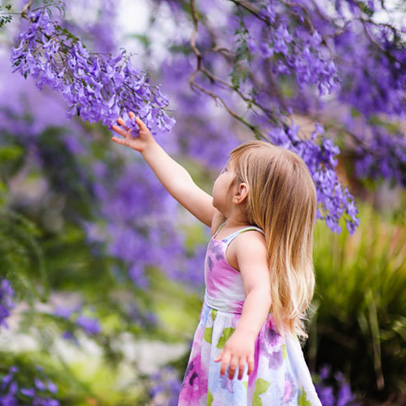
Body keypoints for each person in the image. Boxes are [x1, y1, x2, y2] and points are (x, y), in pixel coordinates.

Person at [111, 112, 322, 406]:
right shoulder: (222, 222)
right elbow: (182, 186)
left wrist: (245, 334)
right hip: (220, 338)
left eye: (226, 169)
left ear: (240, 192)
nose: (218, 174)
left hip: (244, 347)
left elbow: (261, 289)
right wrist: (150, 148)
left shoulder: (248, 243)